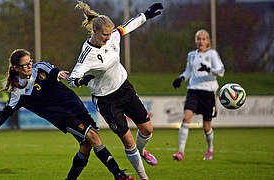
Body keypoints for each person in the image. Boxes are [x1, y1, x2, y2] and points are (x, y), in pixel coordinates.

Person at [0, 49, 135, 180]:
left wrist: (76, 79)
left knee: (86, 146)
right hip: (62, 117)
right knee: (93, 136)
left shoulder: (40, 67)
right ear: (15, 68)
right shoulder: (17, 92)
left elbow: (59, 73)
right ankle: (118, 174)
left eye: (30, 62)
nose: (29, 66)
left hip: (75, 106)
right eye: (25, 65)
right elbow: (4, 114)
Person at [68, 2, 163, 179]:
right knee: (128, 140)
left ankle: (142, 151)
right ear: (94, 32)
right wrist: (80, 81)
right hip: (106, 100)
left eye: (109, 34)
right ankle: (144, 177)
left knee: (148, 129)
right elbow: (71, 79)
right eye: (104, 35)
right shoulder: (87, 54)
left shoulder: (112, 36)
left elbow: (126, 27)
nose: (108, 38)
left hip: (124, 89)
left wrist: (146, 15)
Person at [172, 29, 225, 161]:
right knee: (186, 117)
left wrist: (209, 70)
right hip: (194, 90)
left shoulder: (212, 54)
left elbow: (221, 71)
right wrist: (181, 78)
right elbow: (188, 71)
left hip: (208, 92)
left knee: (207, 126)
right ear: (195, 41)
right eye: (199, 39)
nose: (201, 41)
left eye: (203, 39)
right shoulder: (191, 55)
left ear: (208, 41)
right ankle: (180, 152)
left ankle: (210, 150)